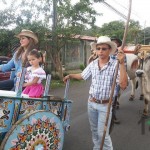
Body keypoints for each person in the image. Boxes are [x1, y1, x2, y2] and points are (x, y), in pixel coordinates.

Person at [63, 36, 128, 150]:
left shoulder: (115, 65)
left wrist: (122, 64)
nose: (101, 51)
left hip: (105, 105)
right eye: (98, 48)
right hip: (91, 103)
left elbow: (123, 85)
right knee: (94, 132)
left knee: (103, 134)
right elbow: (83, 76)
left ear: (109, 51)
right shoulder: (93, 64)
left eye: (104, 49)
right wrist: (70, 75)